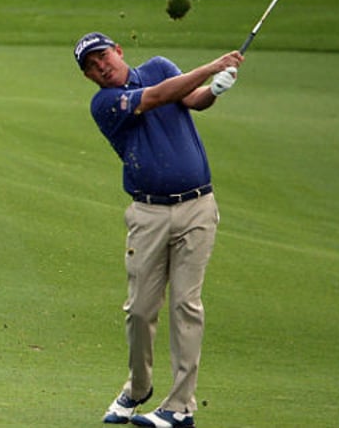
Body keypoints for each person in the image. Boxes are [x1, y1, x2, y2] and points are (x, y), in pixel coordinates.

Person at [75, 32, 242, 428]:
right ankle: (138, 387)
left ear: (118, 51)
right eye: (91, 67)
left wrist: (216, 88)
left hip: (198, 207)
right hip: (148, 215)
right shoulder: (105, 104)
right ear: (89, 77)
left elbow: (193, 99)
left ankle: (180, 407)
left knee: (187, 305)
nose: (101, 66)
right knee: (140, 310)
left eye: (103, 57)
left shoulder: (160, 67)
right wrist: (212, 66)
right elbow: (157, 97)